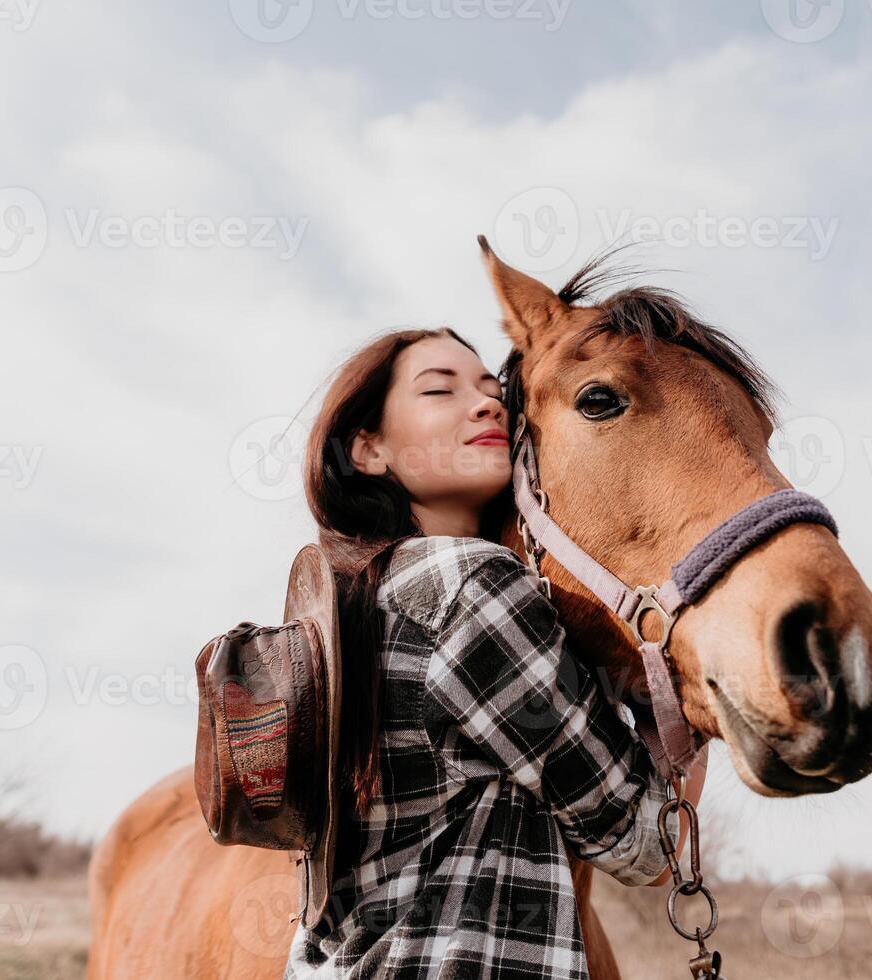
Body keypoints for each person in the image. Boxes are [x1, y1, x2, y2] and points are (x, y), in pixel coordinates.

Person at [284, 326, 709, 980]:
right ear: (368, 449)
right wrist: (687, 682)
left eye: (491, 390)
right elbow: (651, 845)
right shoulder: (472, 586)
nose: (486, 405)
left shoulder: (362, 605)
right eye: (439, 389)